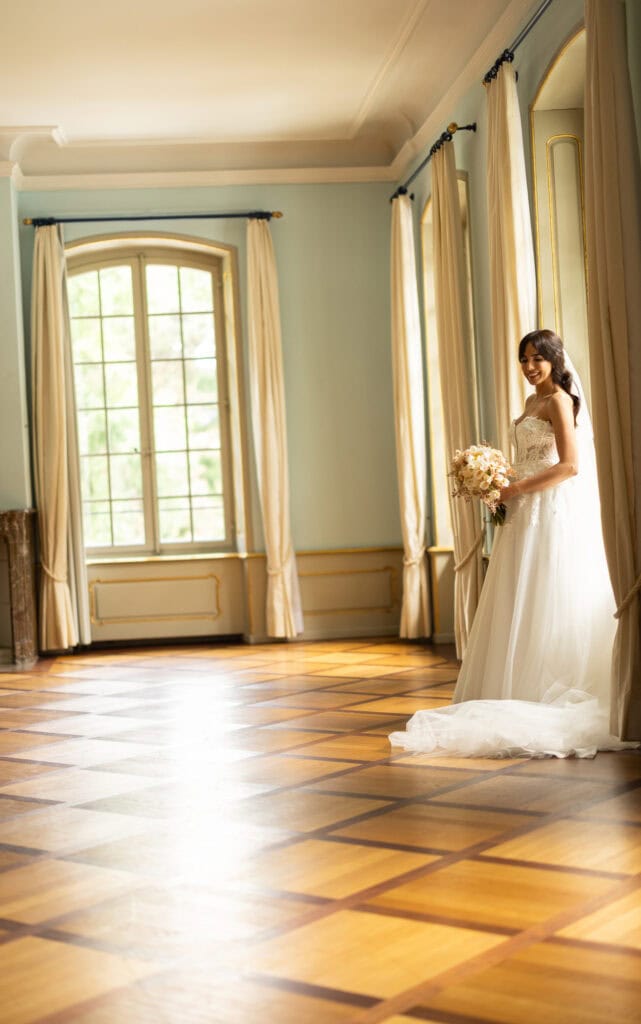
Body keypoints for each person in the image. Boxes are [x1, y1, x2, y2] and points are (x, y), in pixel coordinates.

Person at [390, 329, 637, 758]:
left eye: (537, 358)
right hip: (521, 515)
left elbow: (570, 466)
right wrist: (494, 480)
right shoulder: (529, 404)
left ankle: (548, 690)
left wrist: (512, 490)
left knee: (546, 594)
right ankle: (511, 689)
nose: (529, 367)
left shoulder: (560, 401)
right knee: (516, 597)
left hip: (548, 513)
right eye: (523, 359)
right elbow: (526, 460)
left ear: (555, 360)